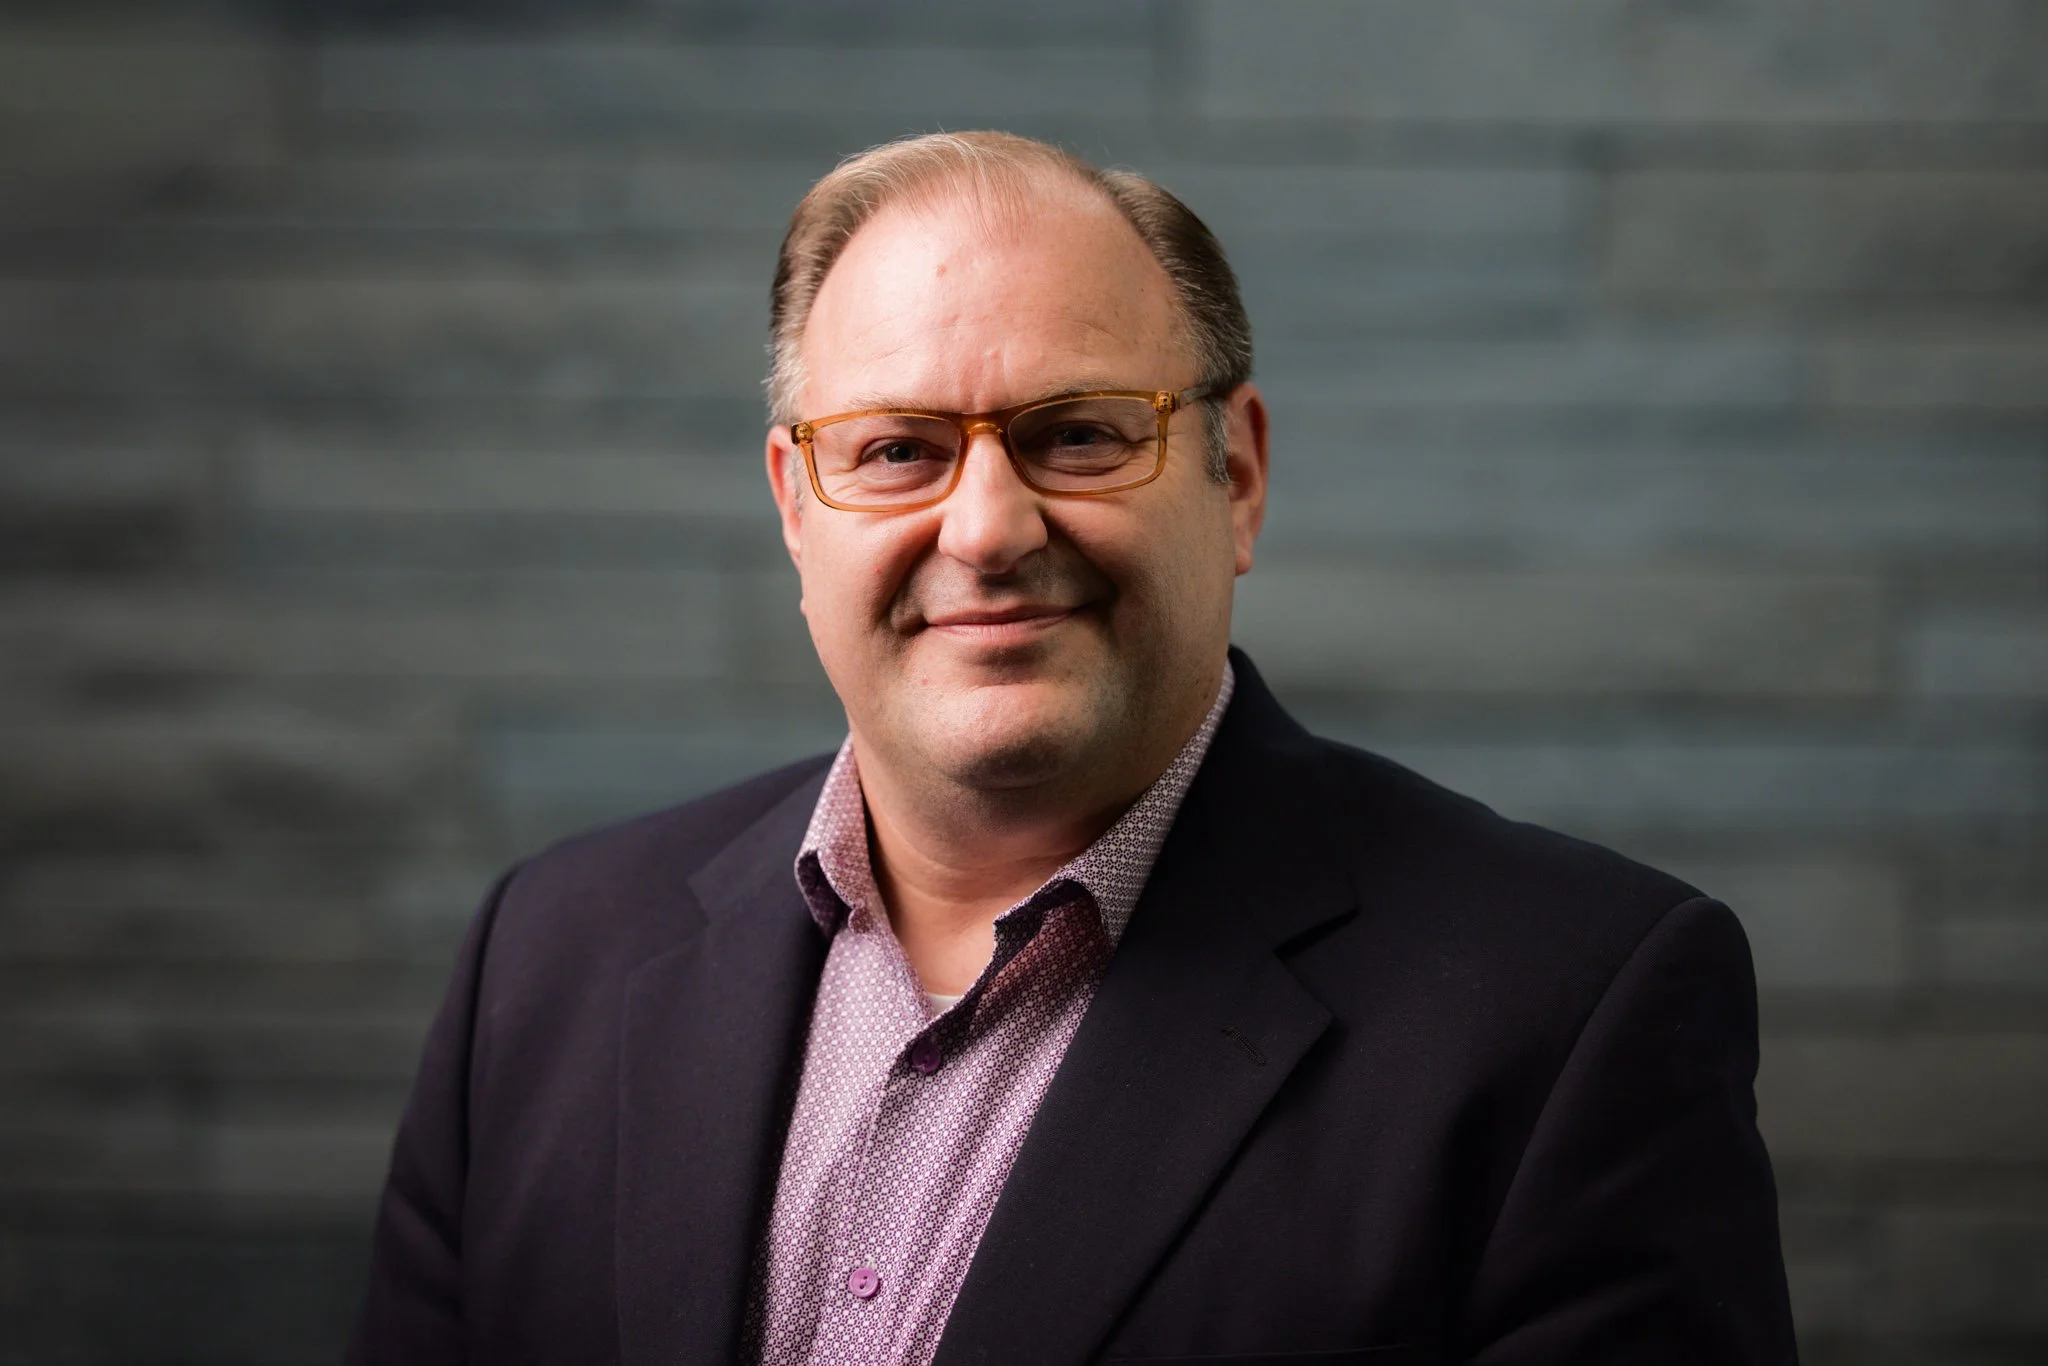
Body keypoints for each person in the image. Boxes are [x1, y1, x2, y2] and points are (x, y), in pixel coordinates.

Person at [349, 131, 1797, 1366]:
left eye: (1080, 435)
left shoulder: (1571, 1012)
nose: (985, 528)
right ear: (799, 506)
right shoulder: (542, 961)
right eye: (899, 447)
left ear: (1236, 475)